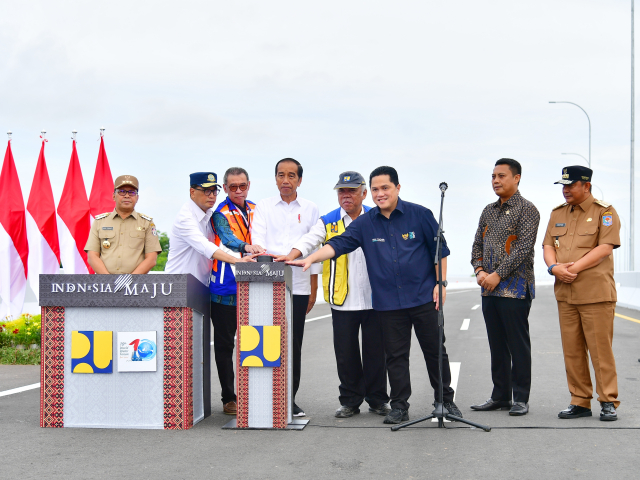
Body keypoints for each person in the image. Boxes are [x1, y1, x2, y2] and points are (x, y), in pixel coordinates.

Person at [288, 166, 462, 424]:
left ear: (398, 188)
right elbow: (338, 244)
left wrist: (441, 283)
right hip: (388, 303)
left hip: (425, 297)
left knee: (435, 351)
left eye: (385, 188)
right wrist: (309, 258)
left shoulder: (420, 215)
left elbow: (440, 251)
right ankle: (400, 406)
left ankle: (446, 400)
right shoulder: (366, 223)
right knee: (396, 357)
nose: (381, 194)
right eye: (377, 190)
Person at [276, 171, 390, 419]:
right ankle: (350, 400)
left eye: (351, 191)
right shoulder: (328, 221)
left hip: (375, 298)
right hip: (342, 300)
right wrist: (293, 255)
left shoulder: (378, 217)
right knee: (346, 354)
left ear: (364, 193)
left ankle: (378, 400)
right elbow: (309, 241)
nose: (346, 195)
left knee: (376, 354)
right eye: (341, 191)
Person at [164, 172, 258, 411]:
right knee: (181, 347)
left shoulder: (210, 215)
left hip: (203, 288)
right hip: (180, 290)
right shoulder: (191, 217)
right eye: (206, 190)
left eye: (213, 190)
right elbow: (209, 246)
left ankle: (197, 402)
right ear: (191, 191)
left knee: (203, 345)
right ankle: (177, 403)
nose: (211, 195)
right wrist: (238, 260)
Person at [542, 165, 621, 421]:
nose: (565, 190)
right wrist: (553, 268)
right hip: (566, 294)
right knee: (572, 350)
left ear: (586, 186)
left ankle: (608, 400)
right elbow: (547, 245)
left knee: (600, 351)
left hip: (595, 294)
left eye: (571, 185)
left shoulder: (604, 212)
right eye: (563, 185)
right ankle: (580, 401)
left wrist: (572, 268)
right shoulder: (557, 214)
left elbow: (605, 247)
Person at [252, 158, 321, 417]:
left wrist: (314, 290)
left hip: (299, 287)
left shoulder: (311, 208)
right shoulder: (264, 206)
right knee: (266, 341)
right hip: (267, 286)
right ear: (275, 178)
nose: (286, 180)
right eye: (281, 175)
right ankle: (263, 397)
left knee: (293, 345)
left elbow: (314, 247)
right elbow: (257, 240)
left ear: (300, 180)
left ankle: (288, 399)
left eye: (291, 175)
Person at [470, 158, 540, 416]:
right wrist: (479, 271)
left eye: (501, 176)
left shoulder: (528, 210)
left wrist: (497, 274)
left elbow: (522, 249)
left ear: (517, 178)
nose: (495, 181)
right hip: (488, 290)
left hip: (515, 290)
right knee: (496, 345)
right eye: (493, 176)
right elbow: (477, 244)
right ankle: (500, 395)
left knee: (517, 345)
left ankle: (521, 397)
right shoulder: (488, 210)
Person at [209, 167, 264, 415]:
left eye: (243, 186)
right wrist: (246, 246)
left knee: (255, 341)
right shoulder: (219, 213)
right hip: (226, 285)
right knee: (224, 345)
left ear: (249, 185)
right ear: (225, 188)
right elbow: (227, 238)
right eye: (233, 187)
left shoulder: (256, 208)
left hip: (255, 283)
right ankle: (228, 398)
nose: (238, 191)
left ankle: (258, 393)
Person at [86, 175, 162, 274]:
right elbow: (92, 256)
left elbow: (151, 259)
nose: (127, 196)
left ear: (137, 197)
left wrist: (128, 280)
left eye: (131, 192)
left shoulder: (147, 223)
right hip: (106, 285)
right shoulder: (100, 222)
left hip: (136, 285)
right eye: (122, 192)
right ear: (113, 196)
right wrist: (109, 281)